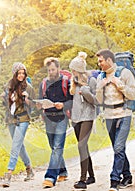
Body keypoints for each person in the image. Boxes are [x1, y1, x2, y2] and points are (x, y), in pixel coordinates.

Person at [95, 49, 135, 191]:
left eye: (101, 61)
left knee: (119, 147)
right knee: (117, 149)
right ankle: (128, 176)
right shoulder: (101, 77)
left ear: (108, 60)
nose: (99, 63)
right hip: (109, 116)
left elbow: (133, 95)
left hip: (124, 114)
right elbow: (99, 101)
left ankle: (114, 180)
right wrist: (99, 88)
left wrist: (120, 85)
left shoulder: (125, 73)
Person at [37, 57, 73, 188]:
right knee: (54, 148)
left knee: (57, 147)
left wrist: (63, 105)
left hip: (61, 118)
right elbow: (40, 100)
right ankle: (62, 171)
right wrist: (40, 107)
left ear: (58, 68)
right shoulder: (44, 83)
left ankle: (50, 177)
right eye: (49, 70)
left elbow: (71, 101)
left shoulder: (66, 82)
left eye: (53, 69)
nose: (51, 72)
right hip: (48, 119)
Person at [0, 62, 35, 187]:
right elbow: (7, 106)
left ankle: (8, 174)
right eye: (19, 73)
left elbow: (33, 105)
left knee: (15, 144)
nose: (21, 75)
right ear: (14, 74)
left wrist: (27, 99)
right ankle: (29, 169)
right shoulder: (8, 86)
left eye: (23, 73)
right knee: (19, 146)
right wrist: (4, 98)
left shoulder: (28, 87)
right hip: (11, 120)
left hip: (23, 119)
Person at [68, 52, 96, 190]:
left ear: (79, 69)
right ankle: (91, 177)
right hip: (76, 118)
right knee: (83, 147)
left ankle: (82, 180)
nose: (72, 72)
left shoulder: (91, 81)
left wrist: (85, 90)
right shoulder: (72, 81)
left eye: (73, 69)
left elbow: (96, 101)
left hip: (88, 117)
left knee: (81, 145)